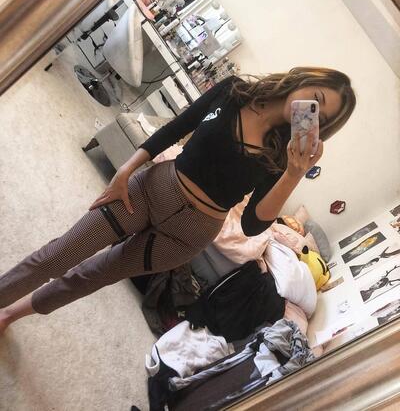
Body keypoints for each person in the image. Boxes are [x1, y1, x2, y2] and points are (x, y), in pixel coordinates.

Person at [0, 66, 356, 334]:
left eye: (320, 117)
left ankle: (10, 315)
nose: (311, 111)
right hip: (150, 190)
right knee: (61, 253)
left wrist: (293, 173)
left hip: (189, 235)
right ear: (304, 79)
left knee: (92, 275)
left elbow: (252, 224)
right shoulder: (235, 90)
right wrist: (125, 169)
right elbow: (176, 127)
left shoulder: (284, 155)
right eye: (316, 98)